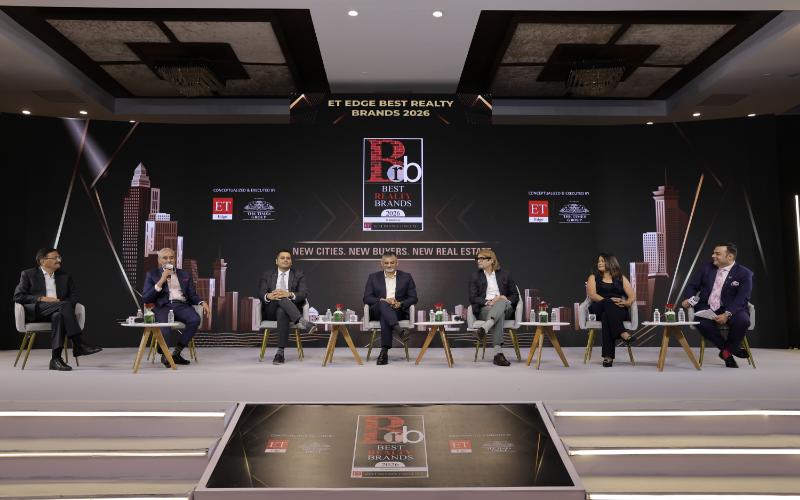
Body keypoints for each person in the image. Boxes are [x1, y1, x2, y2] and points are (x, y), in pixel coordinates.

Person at [13, 247, 102, 371]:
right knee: (64, 305)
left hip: (60, 311)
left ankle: (56, 359)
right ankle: (78, 344)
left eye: (59, 257)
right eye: (55, 257)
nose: (59, 260)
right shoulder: (28, 274)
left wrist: (62, 305)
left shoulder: (65, 276)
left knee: (58, 316)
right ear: (43, 261)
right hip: (38, 311)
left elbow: (74, 297)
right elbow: (18, 296)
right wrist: (42, 298)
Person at [682, 242, 753, 368]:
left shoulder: (744, 273)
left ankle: (726, 352)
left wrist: (727, 313)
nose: (713, 256)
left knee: (743, 321)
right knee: (701, 323)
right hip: (707, 306)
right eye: (713, 253)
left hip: (733, 308)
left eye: (717, 254)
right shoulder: (706, 267)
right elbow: (692, 286)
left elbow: (742, 297)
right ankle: (730, 350)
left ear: (730, 257)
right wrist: (687, 299)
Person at [142, 247, 210, 367]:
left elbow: (192, 295)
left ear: (175, 259)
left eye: (171, 257)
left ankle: (176, 353)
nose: (169, 260)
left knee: (195, 319)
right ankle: (165, 354)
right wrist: (162, 280)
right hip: (162, 306)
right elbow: (146, 298)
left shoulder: (184, 274)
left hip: (181, 305)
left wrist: (202, 302)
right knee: (165, 327)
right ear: (159, 260)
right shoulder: (152, 274)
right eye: (165, 258)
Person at [258, 249, 315, 364]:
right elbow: (261, 293)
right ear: (276, 261)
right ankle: (303, 321)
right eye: (282, 258)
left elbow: (303, 294)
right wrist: (269, 296)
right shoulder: (268, 274)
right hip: (271, 310)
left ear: (291, 262)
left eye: (288, 258)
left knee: (282, 311)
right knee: (279, 299)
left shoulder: (299, 274)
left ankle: (280, 353)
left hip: (290, 311)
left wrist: (288, 294)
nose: (285, 260)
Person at [363, 251, 417, 365]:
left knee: (385, 317)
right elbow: (366, 298)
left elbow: (413, 298)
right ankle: (399, 330)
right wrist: (383, 300)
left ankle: (384, 352)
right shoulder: (373, 277)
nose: (389, 265)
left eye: (392, 262)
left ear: (397, 263)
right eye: (386, 263)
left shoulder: (406, 277)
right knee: (383, 304)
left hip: (397, 310)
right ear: (381, 263)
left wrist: (400, 303)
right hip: (377, 310)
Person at [469, 249, 519, 366]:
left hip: (506, 307)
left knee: (501, 302)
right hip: (485, 308)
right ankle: (498, 354)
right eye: (477, 258)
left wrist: (501, 298)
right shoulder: (475, 276)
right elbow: (473, 297)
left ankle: (485, 328)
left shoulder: (505, 274)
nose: (478, 261)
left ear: (491, 260)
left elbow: (515, 295)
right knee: (498, 314)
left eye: (482, 258)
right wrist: (488, 302)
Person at [586, 253, 635, 367]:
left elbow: (632, 295)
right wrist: (609, 301)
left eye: (602, 261)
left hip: (618, 310)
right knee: (607, 304)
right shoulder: (593, 277)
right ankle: (623, 333)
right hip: (598, 307)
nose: (599, 263)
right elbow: (592, 295)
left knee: (606, 316)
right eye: (599, 261)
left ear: (610, 263)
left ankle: (608, 357)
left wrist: (627, 302)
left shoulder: (621, 278)